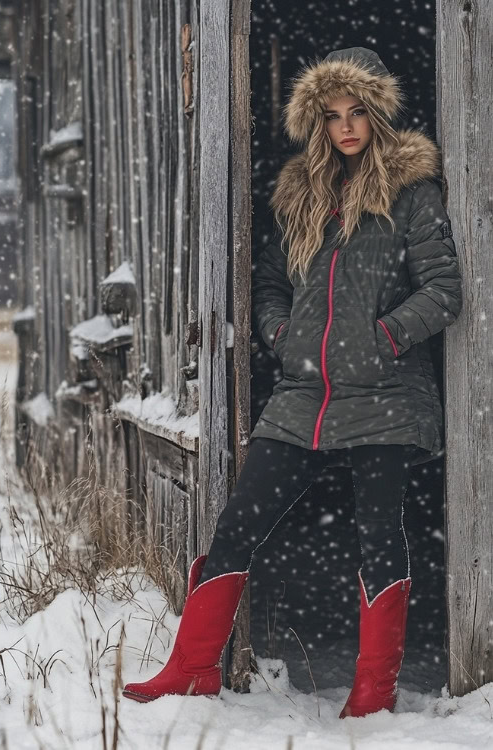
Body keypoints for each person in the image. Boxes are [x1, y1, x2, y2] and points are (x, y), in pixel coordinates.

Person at [123, 47, 463, 717]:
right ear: (317, 123)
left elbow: (444, 290)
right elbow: (272, 284)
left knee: (378, 535)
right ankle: (192, 669)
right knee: (239, 524)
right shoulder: (302, 195)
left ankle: (372, 696)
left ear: (377, 114)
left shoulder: (412, 193)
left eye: (357, 111)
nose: (346, 127)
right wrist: (282, 335)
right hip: (304, 394)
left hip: (384, 393)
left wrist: (383, 338)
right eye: (332, 115)